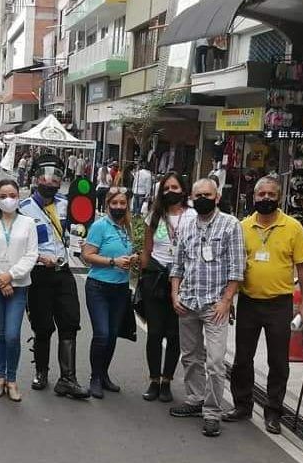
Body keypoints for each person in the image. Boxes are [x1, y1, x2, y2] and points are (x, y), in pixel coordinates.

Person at [227, 176, 303, 434]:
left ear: (280, 197)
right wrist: (228, 298)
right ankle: (242, 405)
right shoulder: (241, 226)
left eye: (270, 194)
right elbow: (232, 265)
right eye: (261, 194)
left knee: (278, 362)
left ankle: (273, 412)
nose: (265, 198)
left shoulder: (293, 227)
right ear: (254, 197)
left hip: (280, 304)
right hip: (249, 302)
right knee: (242, 358)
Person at [169, 178, 244, 436]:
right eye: (198, 194)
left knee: (214, 362)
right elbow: (177, 265)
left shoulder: (230, 225)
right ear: (191, 197)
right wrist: (175, 293)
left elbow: (237, 268)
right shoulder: (186, 224)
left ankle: (212, 412)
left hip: (215, 306)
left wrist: (226, 301)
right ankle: (195, 399)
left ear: (217, 197)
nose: (202, 198)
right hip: (188, 301)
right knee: (190, 356)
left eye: (207, 194)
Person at [19, 158, 90, 399]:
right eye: (45, 177)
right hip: (39, 276)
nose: (50, 181)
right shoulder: (24, 208)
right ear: (36, 179)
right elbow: (18, 244)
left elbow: (80, 227)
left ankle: (67, 378)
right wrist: (39, 258)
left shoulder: (66, 205)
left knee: (70, 323)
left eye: (56, 178)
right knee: (42, 326)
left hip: (64, 274)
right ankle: (41, 372)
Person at [0, 180, 38, 401]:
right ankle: (0, 377)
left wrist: (10, 276)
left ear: (18, 197)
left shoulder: (28, 223)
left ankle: (12, 380)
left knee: (12, 335)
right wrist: (0, 280)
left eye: (12, 195)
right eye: (3, 196)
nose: (8, 199)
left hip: (19, 285)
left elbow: (32, 254)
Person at [141, 172, 195, 404]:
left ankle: (166, 381)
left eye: (175, 187)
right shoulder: (155, 215)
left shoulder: (193, 216)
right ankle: (153, 379)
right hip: (156, 277)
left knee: (174, 334)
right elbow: (147, 248)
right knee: (154, 333)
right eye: (166, 188)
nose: (170, 191)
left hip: (183, 279)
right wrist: (143, 276)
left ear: (183, 190)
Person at [81, 188, 137, 399]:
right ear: (107, 205)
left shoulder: (126, 227)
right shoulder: (99, 226)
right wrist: (113, 261)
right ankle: (94, 378)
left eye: (123, 204)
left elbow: (126, 252)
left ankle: (104, 375)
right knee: (102, 334)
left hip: (121, 288)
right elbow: (87, 256)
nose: (119, 207)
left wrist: (133, 258)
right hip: (98, 287)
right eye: (115, 204)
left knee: (113, 334)